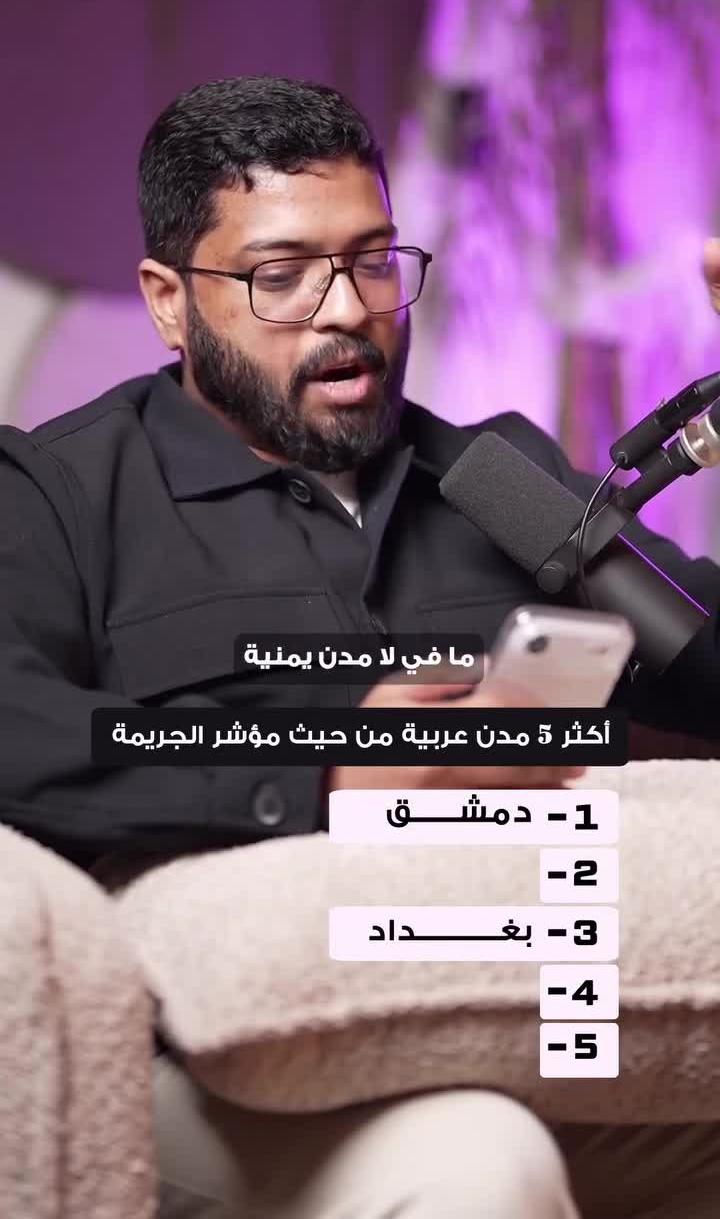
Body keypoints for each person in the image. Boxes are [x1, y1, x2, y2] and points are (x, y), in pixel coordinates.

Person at [1, 75, 719, 1217]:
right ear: (170, 302)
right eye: (282, 275)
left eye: (374, 261)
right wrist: (323, 769)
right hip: (214, 1062)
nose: (346, 309)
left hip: (529, 1014)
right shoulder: (58, 492)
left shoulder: (502, 480)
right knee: (476, 1158)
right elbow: (18, 727)